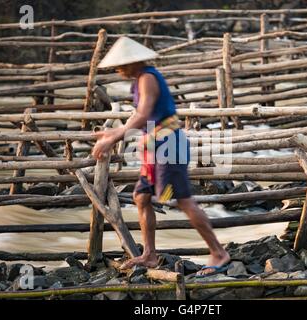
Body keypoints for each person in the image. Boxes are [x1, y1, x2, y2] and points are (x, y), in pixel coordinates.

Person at [92, 37, 230, 277]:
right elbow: (139, 117)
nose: (118, 69)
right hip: (155, 148)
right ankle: (150, 254)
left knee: (183, 200)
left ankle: (218, 252)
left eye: (121, 64)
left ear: (134, 62)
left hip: (170, 145)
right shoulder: (139, 80)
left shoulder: (147, 78)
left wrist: (114, 138)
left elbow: (144, 114)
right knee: (141, 197)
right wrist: (114, 132)